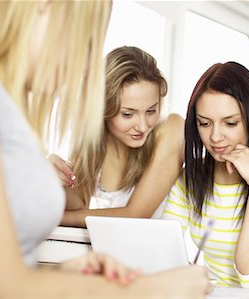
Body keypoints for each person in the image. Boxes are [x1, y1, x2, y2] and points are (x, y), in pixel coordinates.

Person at [0, 1, 210, 297]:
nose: (85, 68)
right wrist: (150, 289)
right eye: (86, 41)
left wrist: (61, 274)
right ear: (44, 6)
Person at [162, 62, 249, 290]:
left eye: (230, 123)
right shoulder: (191, 177)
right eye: (204, 123)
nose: (215, 136)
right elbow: (162, 250)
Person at [49, 46, 185, 227]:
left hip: (155, 254)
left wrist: (55, 219)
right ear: (104, 108)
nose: (143, 126)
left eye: (151, 110)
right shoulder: (92, 139)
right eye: (128, 114)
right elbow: (78, 203)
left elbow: (136, 215)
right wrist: (53, 179)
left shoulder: (172, 129)